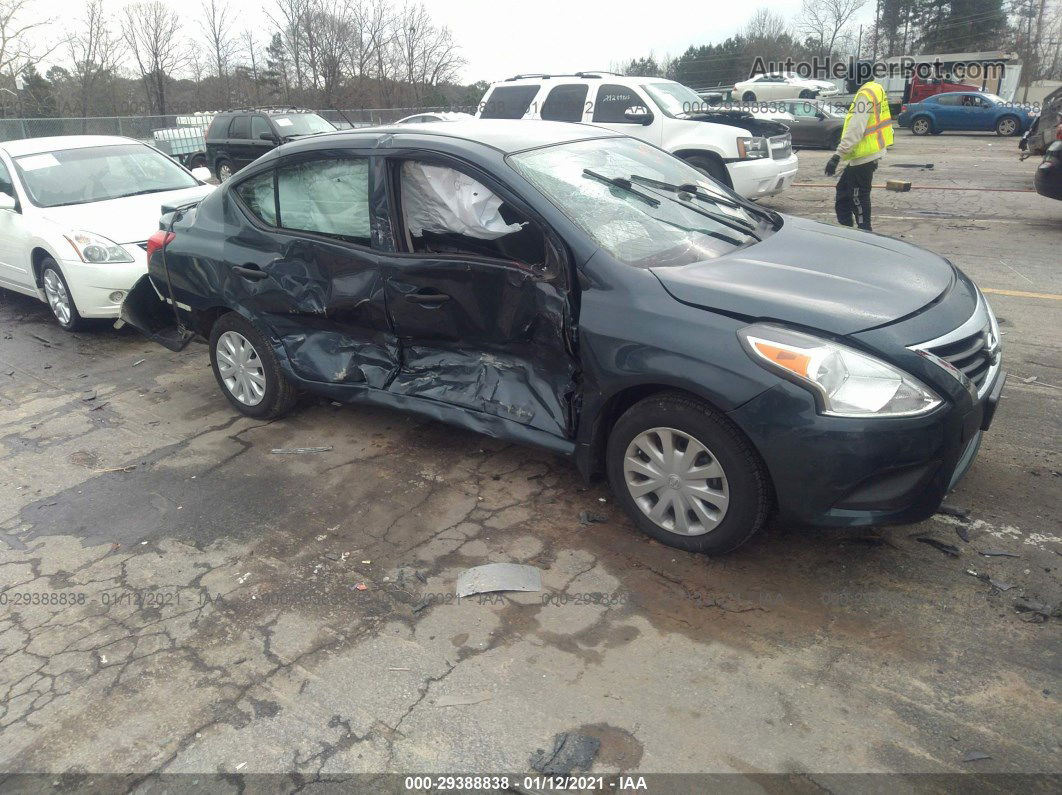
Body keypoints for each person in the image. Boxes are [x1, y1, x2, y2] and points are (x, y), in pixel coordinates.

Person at [825, 76, 894, 231]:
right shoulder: (876, 88)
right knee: (843, 193)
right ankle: (847, 231)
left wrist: (837, 157)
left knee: (858, 198)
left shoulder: (864, 95)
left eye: (849, 79)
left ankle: (865, 233)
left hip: (864, 156)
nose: (847, 83)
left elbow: (855, 130)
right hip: (868, 154)